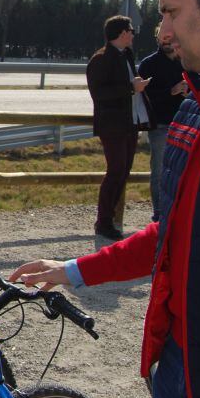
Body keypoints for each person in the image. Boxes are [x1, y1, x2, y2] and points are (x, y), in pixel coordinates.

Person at [10, 0, 200, 398]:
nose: (162, 32)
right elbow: (171, 234)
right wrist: (75, 270)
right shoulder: (191, 113)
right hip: (175, 387)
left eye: (170, 12)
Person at [86, 14, 151, 240]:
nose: (133, 34)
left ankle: (110, 219)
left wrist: (135, 88)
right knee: (115, 172)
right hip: (112, 125)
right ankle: (103, 221)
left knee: (123, 172)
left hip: (129, 123)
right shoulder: (101, 59)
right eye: (131, 31)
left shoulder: (126, 55)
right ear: (123, 33)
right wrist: (131, 88)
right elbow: (99, 93)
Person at [137, 24, 188, 222]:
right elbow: (145, 97)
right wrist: (171, 91)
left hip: (186, 124)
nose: (168, 41)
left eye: (171, 38)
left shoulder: (186, 61)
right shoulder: (149, 64)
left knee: (184, 170)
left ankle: (179, 211)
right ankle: (159, 214)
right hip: (160, 125)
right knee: (159, 170)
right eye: (164, 38)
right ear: (158, 39)